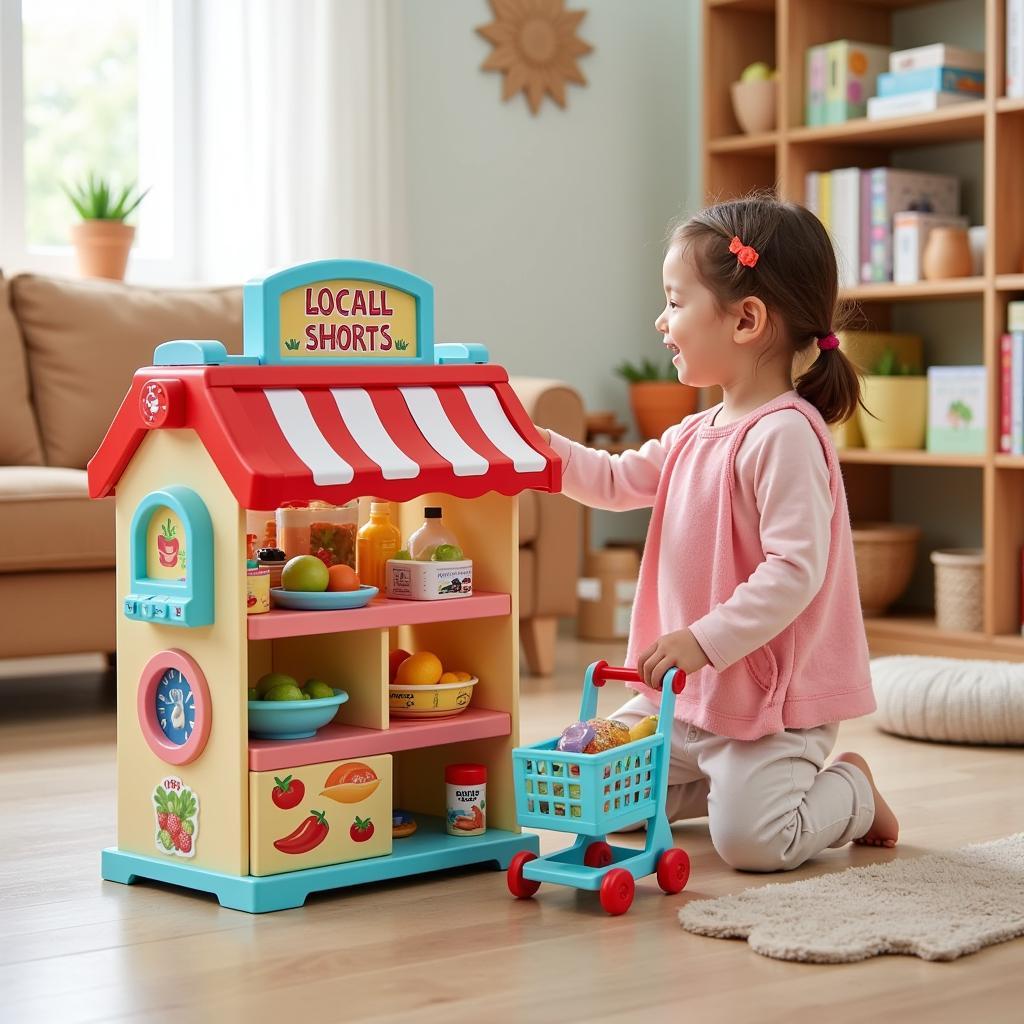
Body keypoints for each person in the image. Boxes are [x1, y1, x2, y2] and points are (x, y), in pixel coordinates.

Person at [537, 195, 898, 871]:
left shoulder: (786, 435)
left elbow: (794, 570)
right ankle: (718, 786)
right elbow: (615, 481)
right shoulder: (694, 431)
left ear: (747, 319)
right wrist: (537, 449)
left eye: (675, 302)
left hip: (766, 709)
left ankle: (849, 790)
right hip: (686, 700)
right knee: (594, 790)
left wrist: (703, 641)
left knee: (755, 846)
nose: (661, 321)